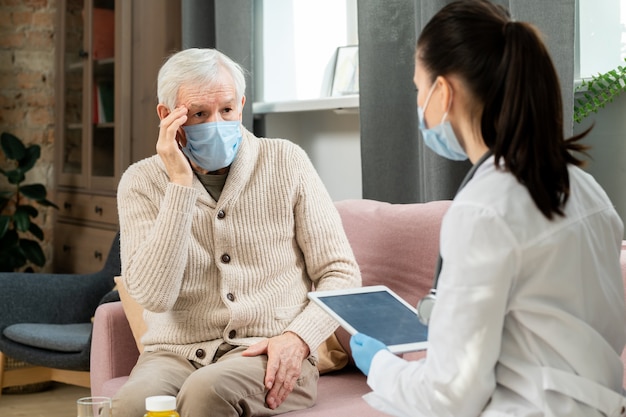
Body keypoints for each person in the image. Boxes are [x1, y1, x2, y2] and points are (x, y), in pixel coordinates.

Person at [349, 1, 626, 416]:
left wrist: (381, 367)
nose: (419, 102)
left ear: (443, 93)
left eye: (418, 89)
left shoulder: (483, 209)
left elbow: (450, 397)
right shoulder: (587, 191)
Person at [113, 48, 361, 417]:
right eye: (199, 114)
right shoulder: (141, 182)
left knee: (206, 392)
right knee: (131, 406)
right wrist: (180, 185)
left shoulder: (286, 161)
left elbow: (341, 272)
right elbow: (154, 296)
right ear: (167, 117)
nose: (217, 122)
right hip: (174, 355)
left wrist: (298, 339)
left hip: (268, 350)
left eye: (227, 110)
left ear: (241, 105)